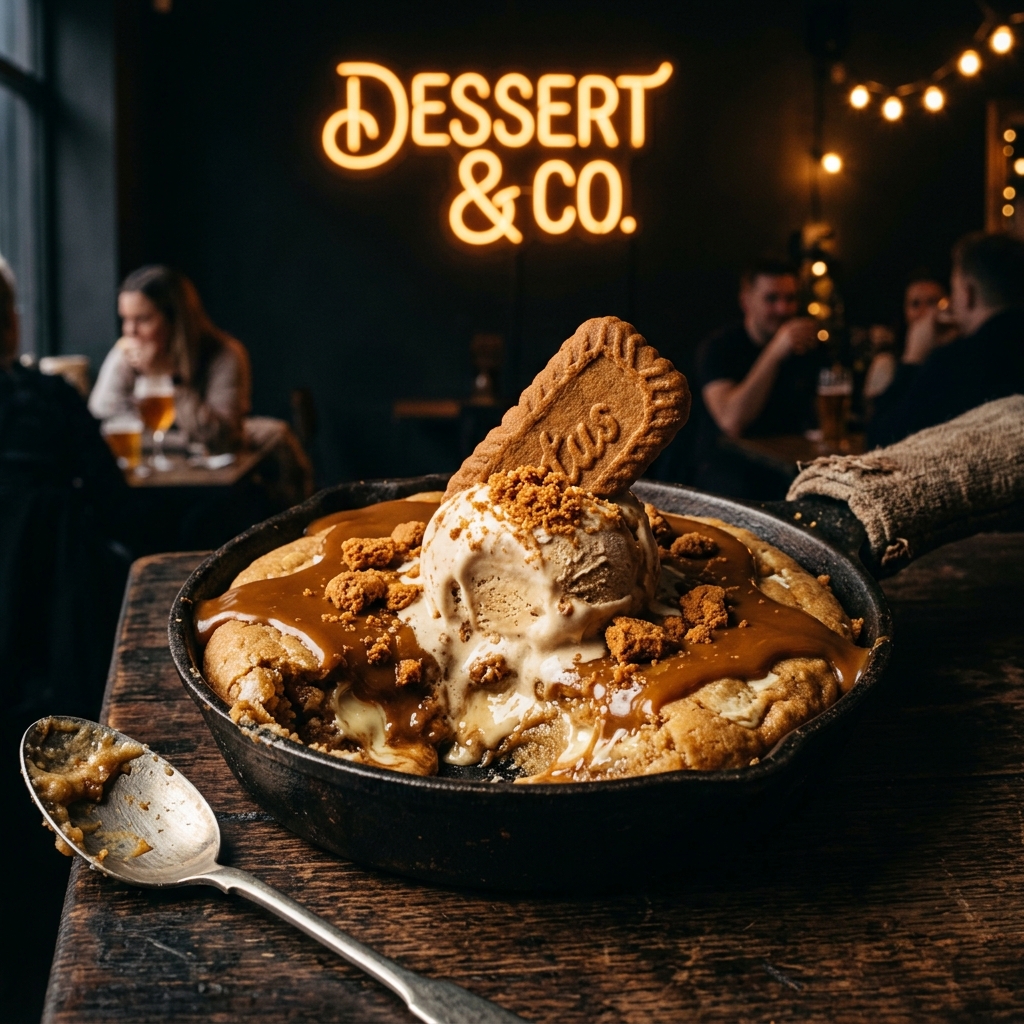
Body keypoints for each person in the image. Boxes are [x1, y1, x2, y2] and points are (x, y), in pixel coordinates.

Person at [869, 232, 1024, 448]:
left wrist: (913, 359)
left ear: (968, 293)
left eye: (954, 289)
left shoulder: (955, 363)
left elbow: (880, 441)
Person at [693, 258, 821, 497]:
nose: (783, 309)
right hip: (730, 478)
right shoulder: (719, 347)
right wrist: (775, 351)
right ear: (746, 301)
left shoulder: (807, 350)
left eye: (790, 299)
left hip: (789, 476)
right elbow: (732, 421)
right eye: (771, 299)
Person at [89, 265, 252, 452]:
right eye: (125, 319)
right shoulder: (126, 353)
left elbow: (222, 439)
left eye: (142, 319)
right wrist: (186, 444)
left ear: (176, 321)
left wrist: (168, 376)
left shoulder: (225, 355)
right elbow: (102, 424)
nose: (130, 331)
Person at [863, 272, 949, 403]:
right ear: (904, 311)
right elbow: (880, 420)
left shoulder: (959, 356)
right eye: (915, 304)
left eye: (932, 303)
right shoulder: (887, 364)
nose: (924, 311)